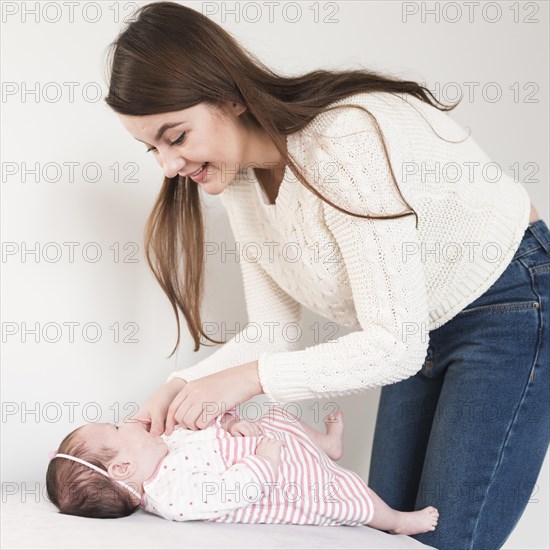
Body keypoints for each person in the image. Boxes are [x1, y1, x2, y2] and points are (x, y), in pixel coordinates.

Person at [102, 2, 549, 548]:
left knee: (446, 538)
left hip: (508, 300)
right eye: (151, 148)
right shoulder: (240, 183)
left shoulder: (342, 142)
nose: (168, 167)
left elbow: (393, 346)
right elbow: (274, 334)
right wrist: (179, 388)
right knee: (380, 524)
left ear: (230, 96)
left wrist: (246, 380)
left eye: (176, 137)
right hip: (420, 328)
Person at [46, 406, 439, 534]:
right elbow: (229, 492)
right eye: (118, 428)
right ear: (123, 466)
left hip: (275, 445)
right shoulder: (170, 494)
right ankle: (395, 520)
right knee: (346, 496)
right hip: (284, 480)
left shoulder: (167, 449)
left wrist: (234, 426)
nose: (128, 421)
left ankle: (326, 444)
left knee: (276, 412)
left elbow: (213, 438)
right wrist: (263, 460)